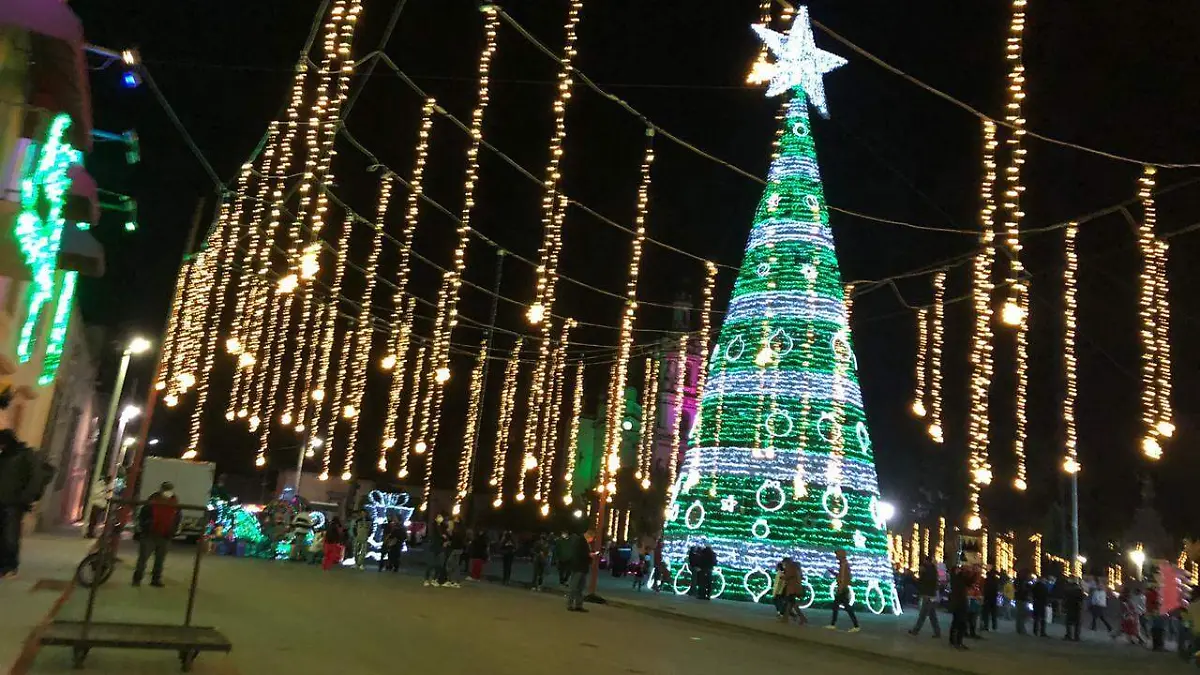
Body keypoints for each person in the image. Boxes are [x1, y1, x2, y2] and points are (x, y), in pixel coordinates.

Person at [0, 429, 51, 579]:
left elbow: (35, 478)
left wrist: (26, 498)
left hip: (14, 502)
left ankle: (10, 566)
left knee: (10, 535)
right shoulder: (4, 456)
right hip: (3, 501)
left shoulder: (26, 455)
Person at [132, 482, 181, 587]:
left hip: (165, 535)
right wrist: (144, 527)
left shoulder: (175, 502)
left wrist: (173, 530)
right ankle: (137, 578)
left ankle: (155, 579)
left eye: (169, 489)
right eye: (166, 489)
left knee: (160, 559)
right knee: (143, 558)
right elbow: (143, 515)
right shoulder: (152, 500)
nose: (168, 492)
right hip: (150, 534)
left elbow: (177, 518)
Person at [826, 549, 860, 632]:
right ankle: (833, 624)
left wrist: (840, 588)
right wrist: (833, 573)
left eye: (837, 555)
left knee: (845, 607)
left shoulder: (844, 564)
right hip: (842, 588)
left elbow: (844, 577)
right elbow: (841, 576)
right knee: (838, 607)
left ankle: (856, 626)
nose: (836, 556)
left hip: (842, 588)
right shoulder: (843, 564)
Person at [909, 556, 941, 638]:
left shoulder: (929, 571)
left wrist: (919, 575)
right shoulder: (932, 570)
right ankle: (937, 632)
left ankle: (916, 630)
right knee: (932, 614)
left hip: (927, 594)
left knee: (923, 614)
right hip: (930, 594)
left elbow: (924, 582)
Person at [566, 529, 594, 612]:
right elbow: (580, 554)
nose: (592, 540)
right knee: (574, 587)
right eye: (592, 538)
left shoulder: (583, 542)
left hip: (582, 568)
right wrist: (589, 555)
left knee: (580, 587)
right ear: (589, 536)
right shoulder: (580, 542)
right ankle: (570, 604)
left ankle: (578, 605)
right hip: (578, 567)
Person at [948, 563, 970, 650]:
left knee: (957, 622)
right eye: (957, 569)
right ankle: (957, 642)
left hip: (961, 603)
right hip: (958, 603)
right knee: (961, 623)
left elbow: (969, 582)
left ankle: (954, 641)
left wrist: (972, 572)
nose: (959, 570)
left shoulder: (960, 578)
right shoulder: (954, 579)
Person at [780, 557, 807, 625]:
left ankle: (802, 618)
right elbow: (800, 576)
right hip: (796, 588)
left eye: (784, 563)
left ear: (786, 562)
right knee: (790, 604)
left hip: (792, 588)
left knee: (792, 604)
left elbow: (789, 576)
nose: (784, 565)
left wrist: (783, 577)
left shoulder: (790, 567)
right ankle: (786, 619)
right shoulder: (797, 568)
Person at [423, 516, 447, 586]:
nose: (440, 519)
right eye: (438, 517)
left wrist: (445, 540)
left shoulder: (443, 527)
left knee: (439, 565)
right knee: (430, 564)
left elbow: (445, 536)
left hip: (440, 548)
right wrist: (442, 536)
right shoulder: (433, 526)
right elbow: (435, 534)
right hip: (433, 547)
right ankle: (426, 579)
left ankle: (434, 579)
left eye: (441, 517)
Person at [1061, 576, 1084, 641]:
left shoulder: (1068, 589)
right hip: (1077, 607)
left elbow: (1065, 598)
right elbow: (1081, 599)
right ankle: (1076, 636)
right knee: (1077, 623)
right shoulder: (1079, 590)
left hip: (1069, 607)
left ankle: (1068, 635)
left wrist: (1064, 606)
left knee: (1068, 622)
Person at [1014, 570, 1030, 634]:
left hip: (1018, 598)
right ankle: (1021, 629)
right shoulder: (1023, 581)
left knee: (1019, 614)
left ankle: (1019, 629)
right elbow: (1024, 590)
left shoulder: (1017, 581)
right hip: (1022, 599)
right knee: (1022, 614)